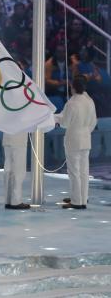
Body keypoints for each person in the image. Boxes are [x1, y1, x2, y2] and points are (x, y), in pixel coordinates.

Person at [55, 75, 97, 210]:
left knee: (74, 171)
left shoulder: (72, 104)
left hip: (74, 139)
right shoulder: (89, 101)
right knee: (84, 171)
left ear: (73, 87)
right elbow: (93, 122)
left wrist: (56, 119)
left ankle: (76, 201)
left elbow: (65, 123)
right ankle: (82, 198)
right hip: (86, 138)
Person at [2, 133, 30, 209]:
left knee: (8, 169)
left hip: (7, 138)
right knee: (18, 171)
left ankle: (8, 200)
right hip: (18, 139)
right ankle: (16, 201)